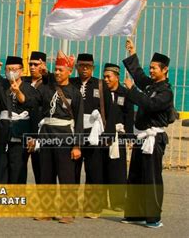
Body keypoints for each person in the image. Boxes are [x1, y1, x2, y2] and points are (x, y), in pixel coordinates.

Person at [121, 38, 173, 229]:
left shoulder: (166, 92)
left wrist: (132, 91)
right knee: (135, 175)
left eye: (154, 68)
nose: (151, 71)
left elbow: (150, 105)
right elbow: (138, 74)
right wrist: (132, 52)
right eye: (150, 67)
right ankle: (135, 214)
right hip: (141, 137)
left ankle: (153, 217)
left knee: (151, 178)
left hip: (153, 138)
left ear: (164, 70)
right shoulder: (150, 85)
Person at [34, 50, 84, 223]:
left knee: (66, 176)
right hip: (47, 136)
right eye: (55, 69)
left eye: (61, 70)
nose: (57, 72)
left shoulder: (75, 93)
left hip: (65, 137)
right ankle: (46, 209)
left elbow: (78, 121)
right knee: (46, 175)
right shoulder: (47, 88)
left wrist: (77, 146)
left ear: (69, 71)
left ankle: (68, 211)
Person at [0, 56, 36, 184]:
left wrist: (18, 92)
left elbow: (31, 107)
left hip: (20, 135)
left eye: (14, 69)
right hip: (1, 133)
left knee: (17, 171)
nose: (11, 72)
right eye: (8, 69)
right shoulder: (0, 84)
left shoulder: (29, 88)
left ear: (22, 71)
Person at [70, 53, 105, 217]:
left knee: (94, 170)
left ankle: (92, 207)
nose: (84, 69)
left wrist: (108, 134)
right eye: (81, 66)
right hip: (74, 131)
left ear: (93, 68)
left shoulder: (100, 84)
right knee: (72, 169)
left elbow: (108, 111)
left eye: (88, 66)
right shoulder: (71, 83)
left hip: (94, 133)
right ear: (76, 67)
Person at [101, 63, 134, 211]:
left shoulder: (125, 93)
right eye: (104, 76)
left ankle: (118, 202)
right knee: (101, 167)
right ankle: (100, 201)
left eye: (109, 77)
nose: (106, 79)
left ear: (117, 77)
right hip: (102, 135)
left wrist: (129, 137)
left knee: (118, 169)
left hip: (118, 136)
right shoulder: (101, 93)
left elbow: (129, 115)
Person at [22, 51, 47, 184]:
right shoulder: (23, 81)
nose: (32, 67)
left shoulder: (47, 83)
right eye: (30, 64)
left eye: (36, 64)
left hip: (40, 132)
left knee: (41, 171)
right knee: (19, 169)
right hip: (22, 131)